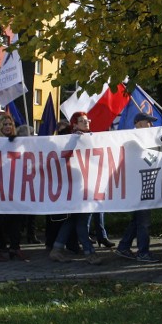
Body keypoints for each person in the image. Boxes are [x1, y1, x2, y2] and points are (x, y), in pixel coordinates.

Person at [49, 112, 102, 265]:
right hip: (76, 184)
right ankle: (89, 253)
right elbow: (65, 156)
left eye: (87, 120)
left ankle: (57, 249)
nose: (86, 123)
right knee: (81, 220)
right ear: (75, 124)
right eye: (82, 121)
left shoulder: (91, 137)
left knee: (73, 220)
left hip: (88, 183)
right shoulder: (73, 138)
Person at [115, 112, 162, 263]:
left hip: (140, 185)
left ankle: (123, 246)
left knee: (137, 220)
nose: (151, 125)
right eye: (148, 122)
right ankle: (143, 252)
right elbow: (142, 162)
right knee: (143, 222)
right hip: (140, 187)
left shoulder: (139, 140)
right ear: (139, 123)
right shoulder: (134, 141)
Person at [0, 114, 30, 261]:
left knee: (16, 217)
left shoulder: (16, 142)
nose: (8, 127)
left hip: (14, 185)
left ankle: (15, 247)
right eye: (4, 124)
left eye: (10, 124)